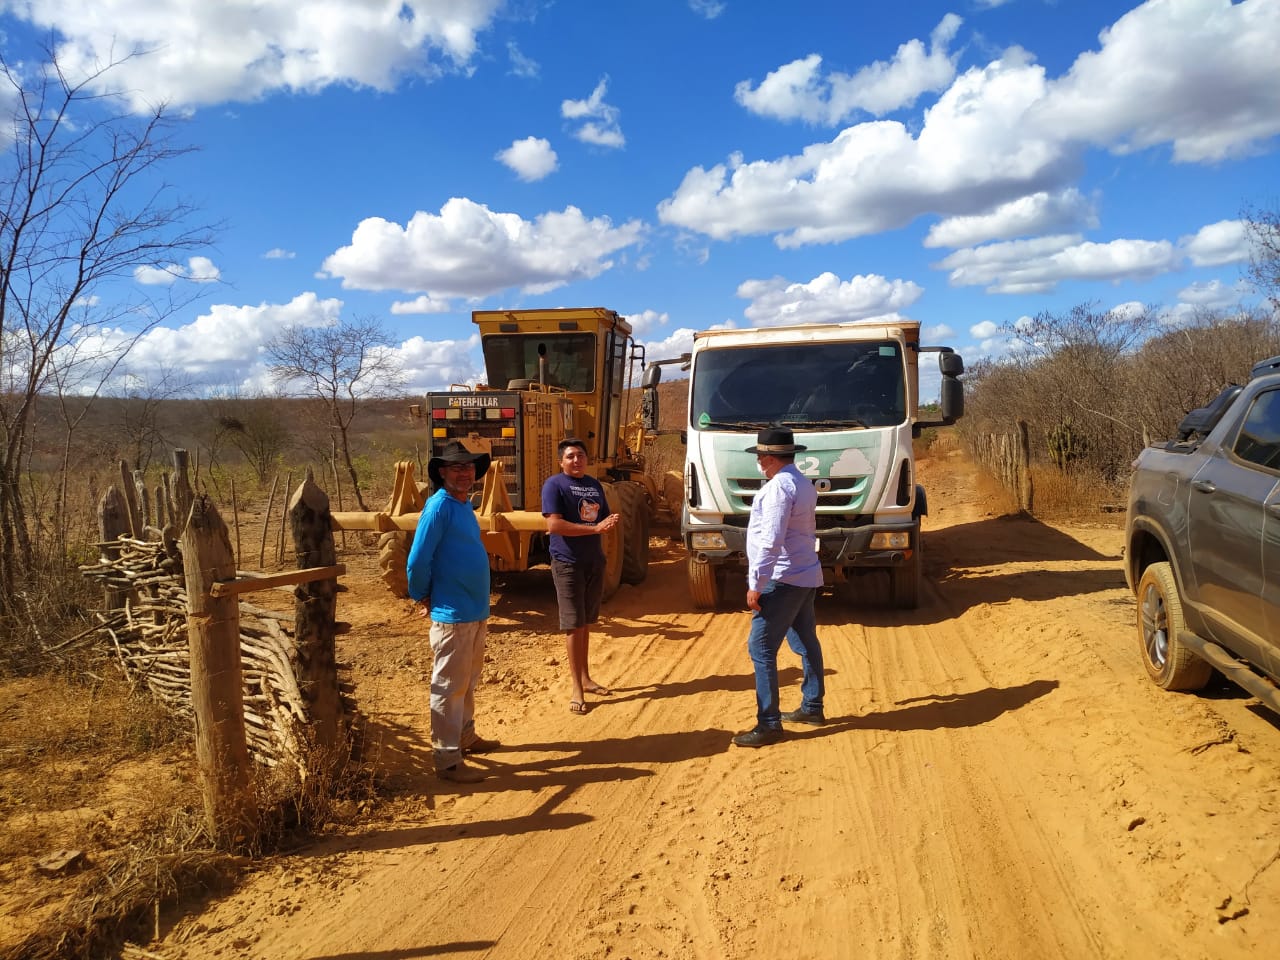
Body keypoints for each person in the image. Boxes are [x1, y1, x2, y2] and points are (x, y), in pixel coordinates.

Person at [407, 439, 501, 783]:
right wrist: (421, 595)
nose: (465, 473)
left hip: (474, 610)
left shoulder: (463, 505)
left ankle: (465, 736)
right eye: (457, 467)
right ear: (443, 472)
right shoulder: (439, 507)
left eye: (469, 467)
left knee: (467, 680)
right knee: (449, 684)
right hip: (452, 612)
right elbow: (418, 559)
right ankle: (447, 761)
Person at [733, 427, 826, 748]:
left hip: (783, 578)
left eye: (760, 456)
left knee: (760, 647)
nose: (758, 461)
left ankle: (769, 723)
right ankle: (812, 705)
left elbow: (770, 540)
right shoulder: (802, 483)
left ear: (770, 458)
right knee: (805, 639)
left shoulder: (778, 489)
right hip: (804, 574)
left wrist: (756, 584)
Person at [541, 437, 620, 715]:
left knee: (586, 623)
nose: (577, 461)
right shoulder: (554, 485)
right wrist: (595, 530)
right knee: (573, 625)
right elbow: (554, 524)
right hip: (568, 563)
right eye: (571, 456)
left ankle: (586, 678)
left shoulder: (594, 485)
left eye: (581, 456)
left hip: (593, 562)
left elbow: (602, 520)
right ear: (561, 461)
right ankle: (576, 688)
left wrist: (607, 525)